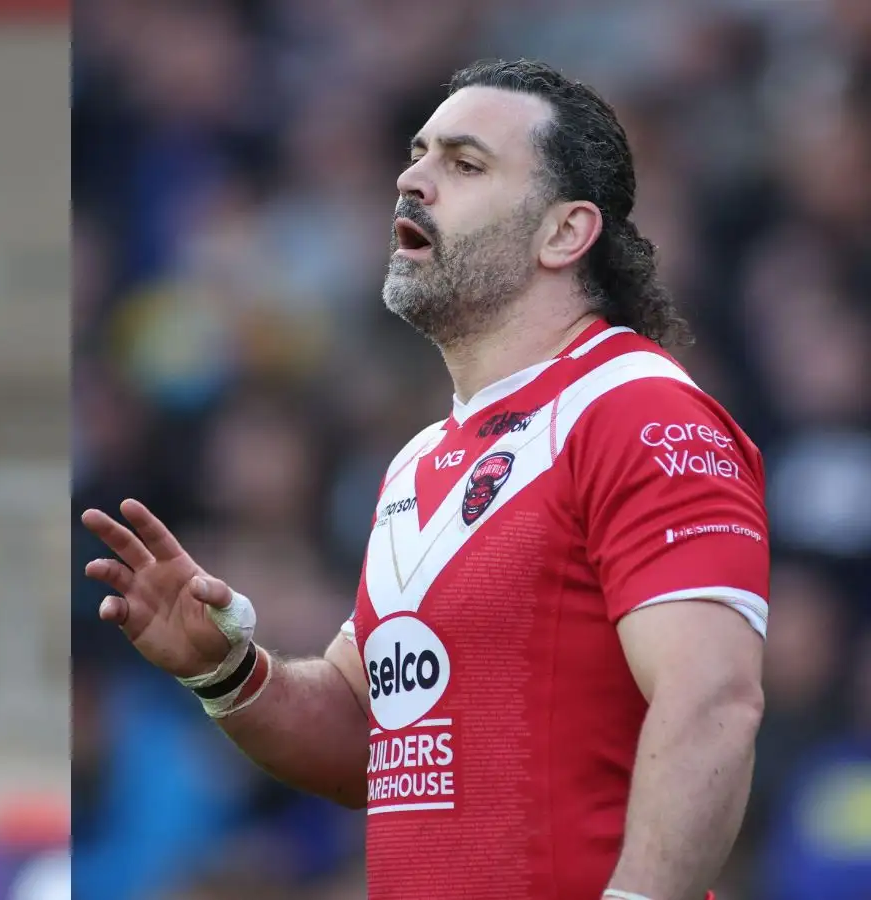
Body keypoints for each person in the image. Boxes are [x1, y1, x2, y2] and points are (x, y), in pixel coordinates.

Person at [82, 58, 766, 900]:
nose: (412, 177)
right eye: (417, 153)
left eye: (464, 163)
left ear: (564, 233)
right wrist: (227, 671)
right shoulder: (418, 463)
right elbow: (377, 739)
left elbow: (714, 704)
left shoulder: (636, 412)